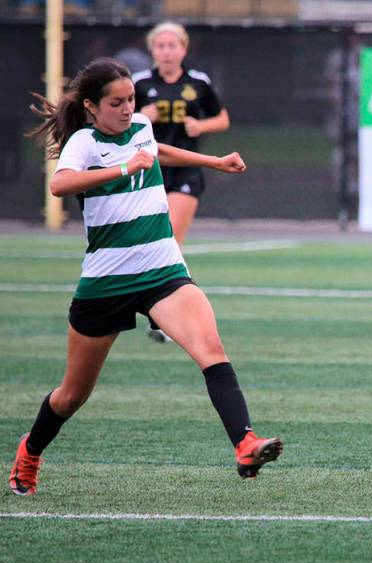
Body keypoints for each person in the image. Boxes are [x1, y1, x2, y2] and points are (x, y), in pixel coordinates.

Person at [8, 58, 282, 497]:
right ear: (92, 106)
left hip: (162, 269)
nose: (127, 108)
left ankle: (245, 444)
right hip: (106, 283)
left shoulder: (140, 126)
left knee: (211, 349)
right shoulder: (83, 142)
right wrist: (122, 170)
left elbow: (156, 151)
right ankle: (31, 451)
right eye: (116, 102)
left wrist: (214, 161)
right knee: (72, 395)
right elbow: (61, 186)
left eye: (131, 99)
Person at [133, 22, 230, 342]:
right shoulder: (140, 83)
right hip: (149, 171)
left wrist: (200, 126)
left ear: (184, 49)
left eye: (173, 45)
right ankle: (161, 311)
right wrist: (142, 118)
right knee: (152, 243)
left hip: (186, 169)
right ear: (153, 50)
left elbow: (222, 118)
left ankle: (169, 319)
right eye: (160, 45)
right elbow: (120, 124)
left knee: (170, 239)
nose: (167, 51)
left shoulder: (197, 83)